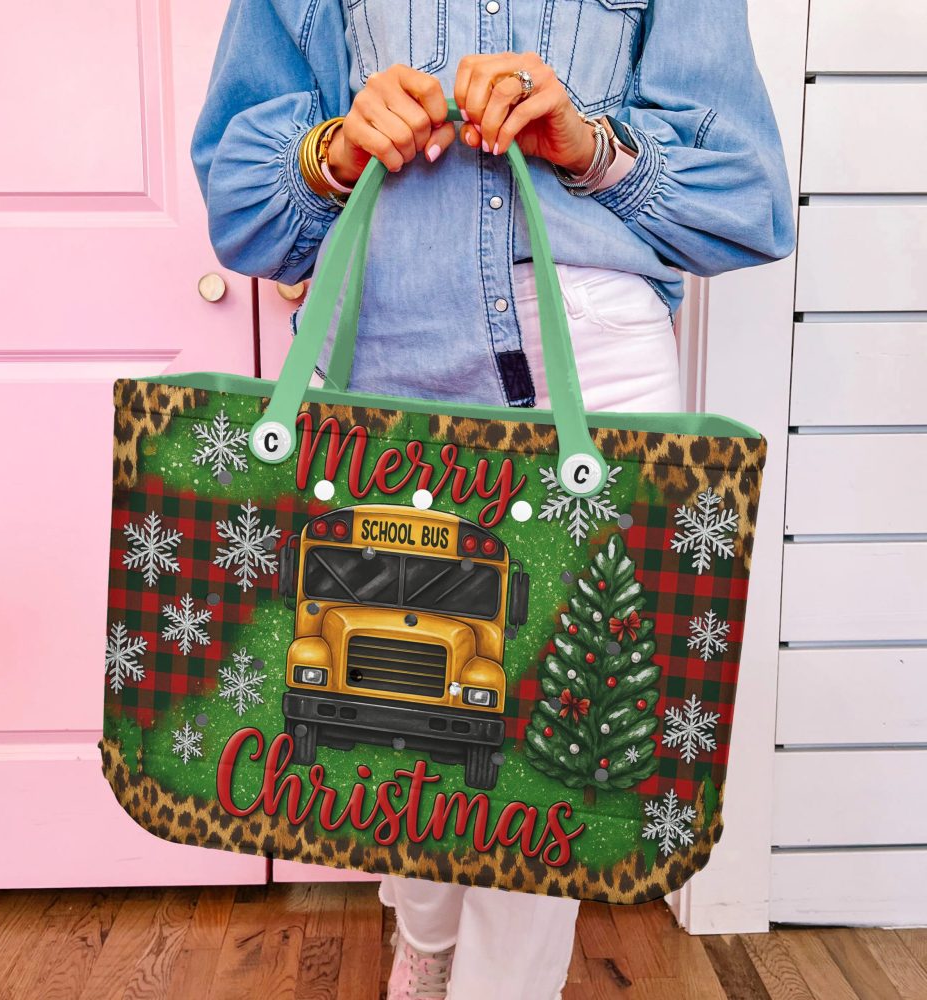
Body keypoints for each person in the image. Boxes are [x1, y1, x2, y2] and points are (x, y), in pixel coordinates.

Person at [191, 2, 795, 997]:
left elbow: (747, 197)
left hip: (589, 367)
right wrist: (334, 152)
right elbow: (241, 208)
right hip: (379, 347)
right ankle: (424, 936)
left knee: (553, 748)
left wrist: (592, 146)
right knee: (393, 724)